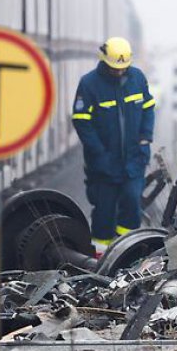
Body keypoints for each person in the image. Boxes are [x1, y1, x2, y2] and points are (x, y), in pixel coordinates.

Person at [71, 37, 156, 252]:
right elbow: (82, 122)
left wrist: (145, 140)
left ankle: (126, 252)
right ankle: (100, 257)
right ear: (104, 61)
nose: (119, 72)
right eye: (114, 68)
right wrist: (99, 154)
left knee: (131, 206)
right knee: (104, 214)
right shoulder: (89, 84)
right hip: (103, 165)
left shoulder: (137, 78)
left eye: (122, 68)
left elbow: (148, 109)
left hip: (134, 160)